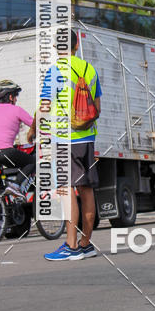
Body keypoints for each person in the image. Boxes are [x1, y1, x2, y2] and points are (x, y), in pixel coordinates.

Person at [31, 28, 102, 261]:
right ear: (76, 44)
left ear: (56, 48)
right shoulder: (89, 69)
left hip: (65, 140)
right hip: (87, 138)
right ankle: (86, 244)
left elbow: (43, 107)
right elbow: (97, 110)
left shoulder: (55, 72)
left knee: (66, 191)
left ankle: (70, 246)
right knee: (86, 189)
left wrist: (33, 129)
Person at [0, 80, 36, 197]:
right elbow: (36, 125)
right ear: (10, 97)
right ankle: (16, 185)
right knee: (32, 162)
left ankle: (1, 210)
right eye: (15, 96)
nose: (16, 99)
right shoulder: (17, 110)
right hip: (3, 152)